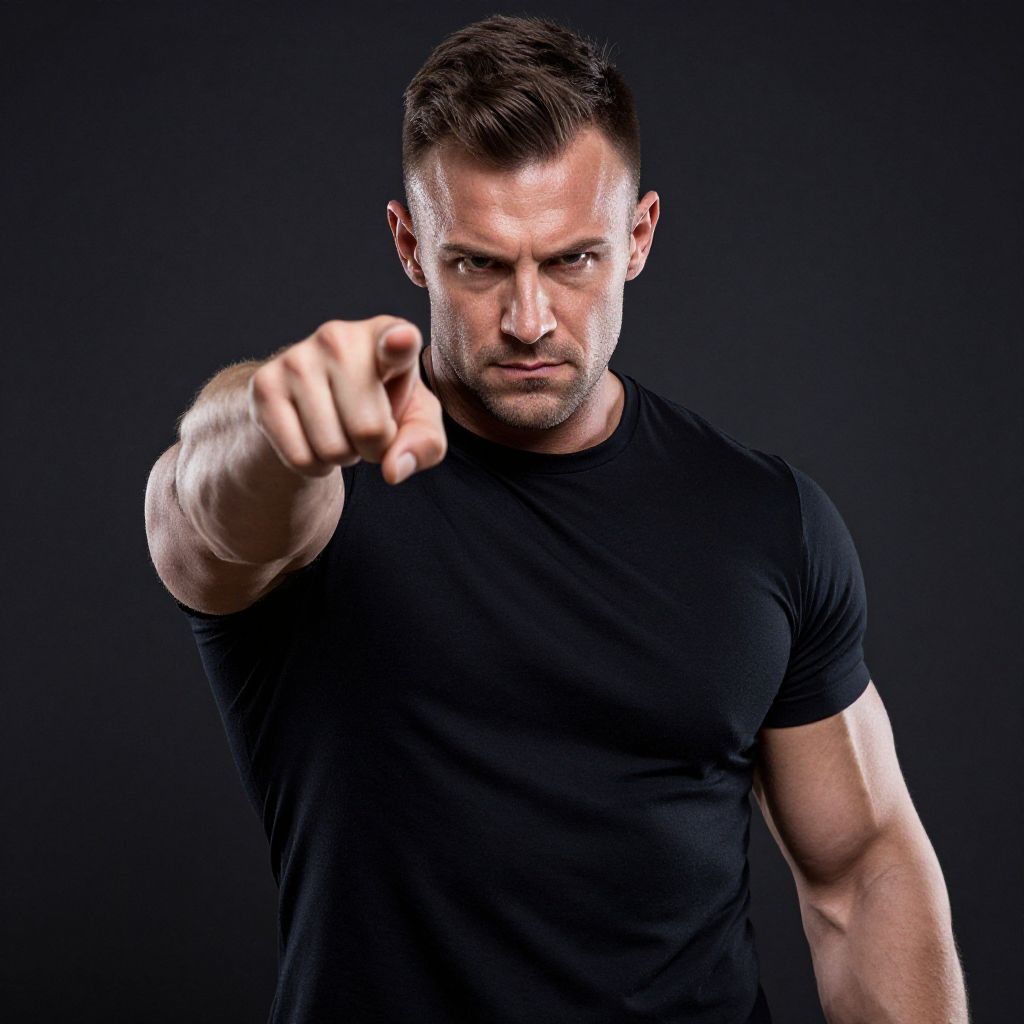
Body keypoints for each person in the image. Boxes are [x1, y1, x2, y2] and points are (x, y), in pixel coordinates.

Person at [143, 14, 970, 1024]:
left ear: (638, 236)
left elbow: (863, 867)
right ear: (411, 245)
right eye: (478, 264)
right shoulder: (322, 482)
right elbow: (197, 517)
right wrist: (270, 421)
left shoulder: (765, 519)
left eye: (572, 259)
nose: (528, 319)